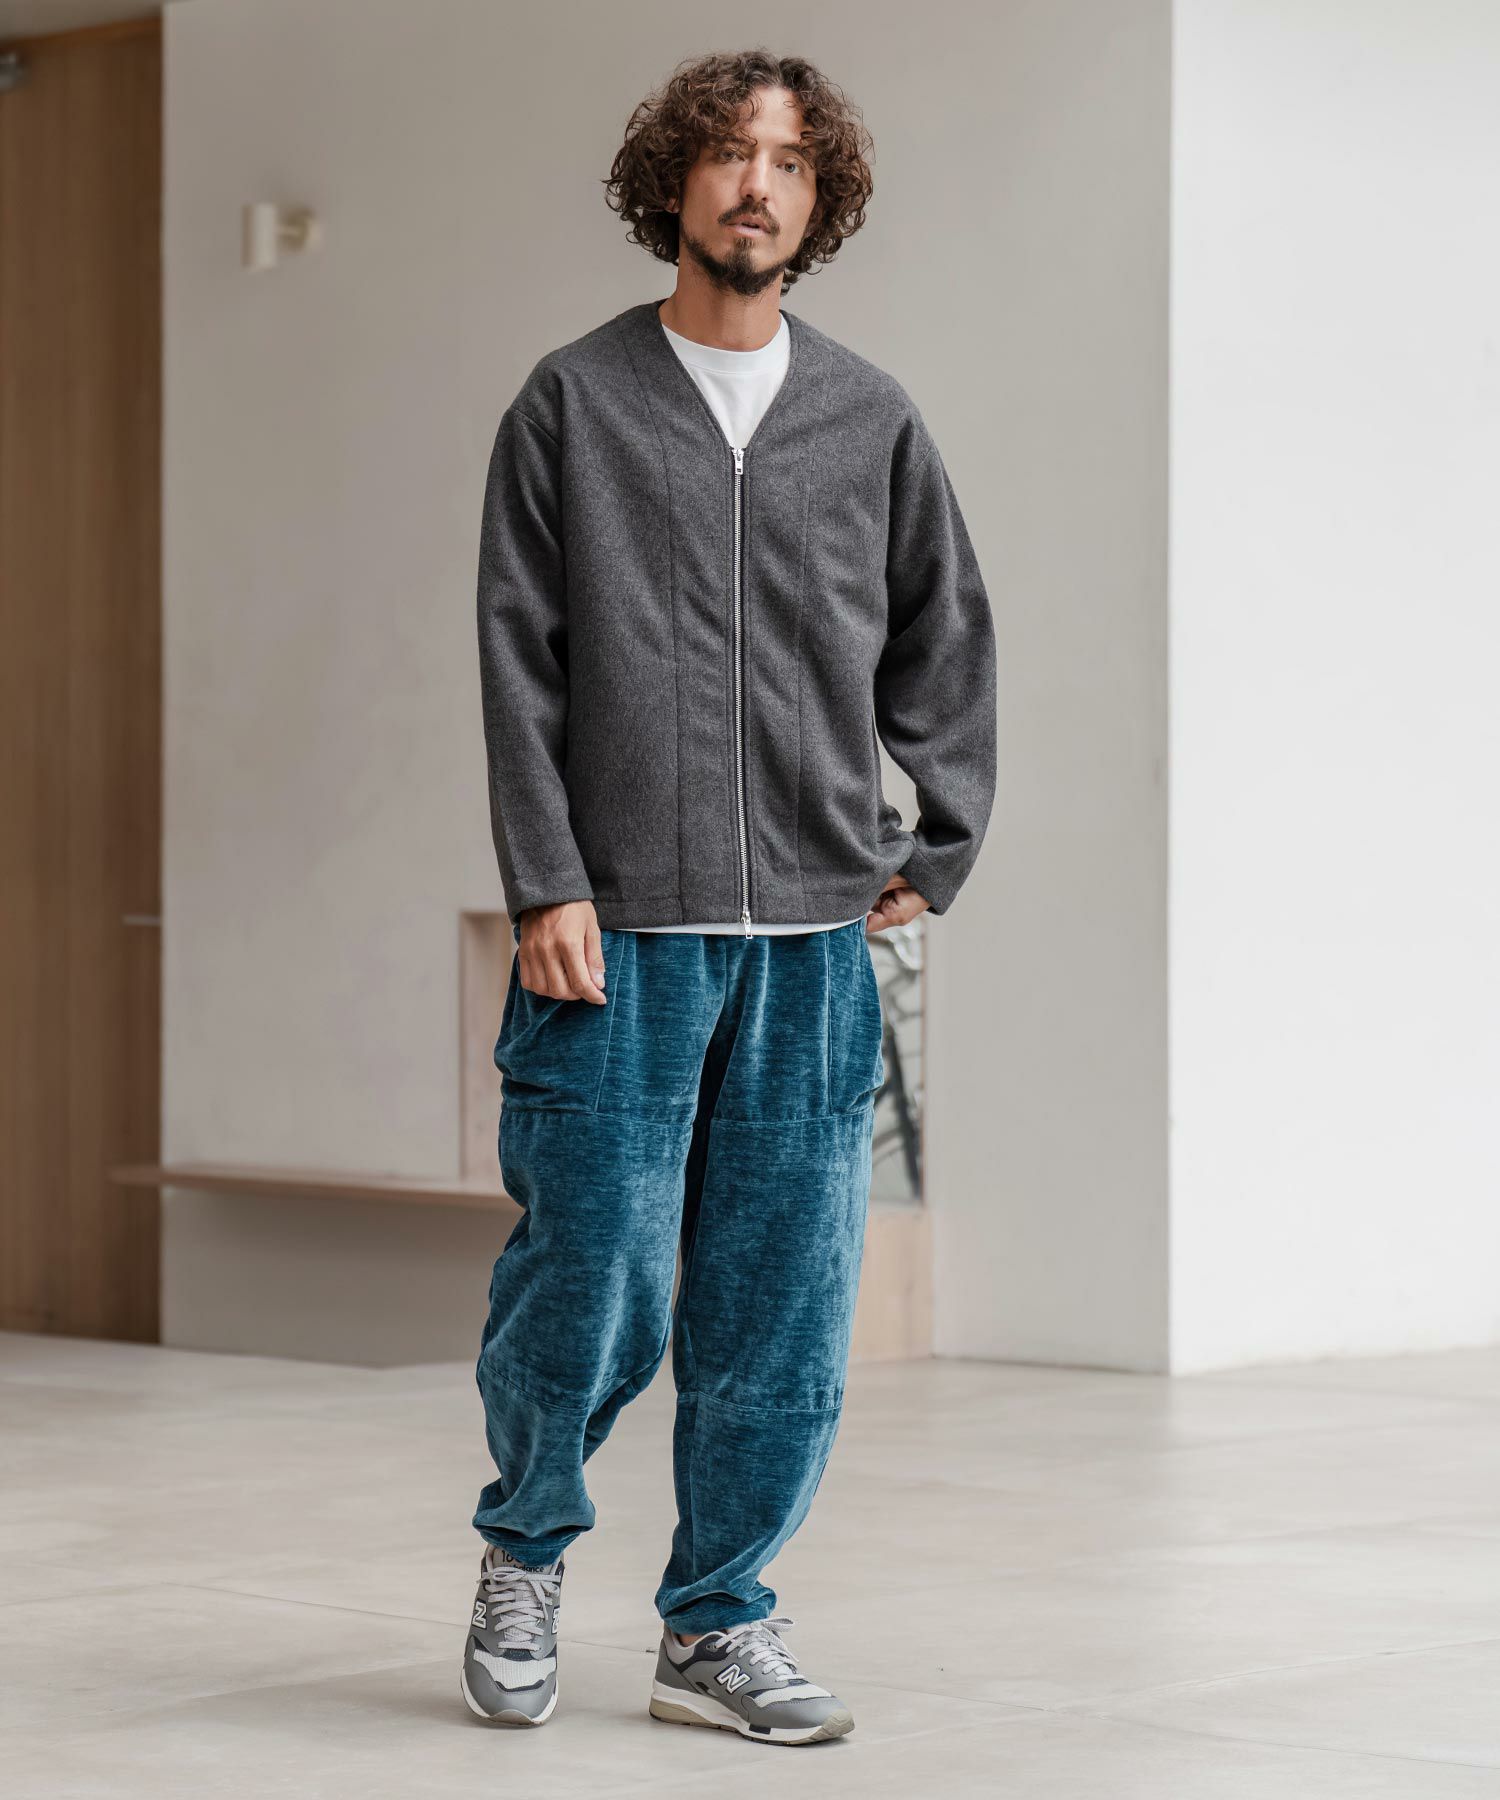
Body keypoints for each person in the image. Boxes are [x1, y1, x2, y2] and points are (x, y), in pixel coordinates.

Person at [460, 47, 996, 1743]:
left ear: (818, 202)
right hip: (616, 931)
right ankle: (524, 1552)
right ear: (674, 182)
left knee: (781, 1309)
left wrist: (937, 837)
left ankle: (718, 1623)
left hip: (812, 948)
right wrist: (545, 879)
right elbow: (518, 662)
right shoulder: (575, 402)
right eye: (728, 153)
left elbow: (945, 636)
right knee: (589, 1275)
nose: (756, 184)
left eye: (788, 162)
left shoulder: (869, 417)